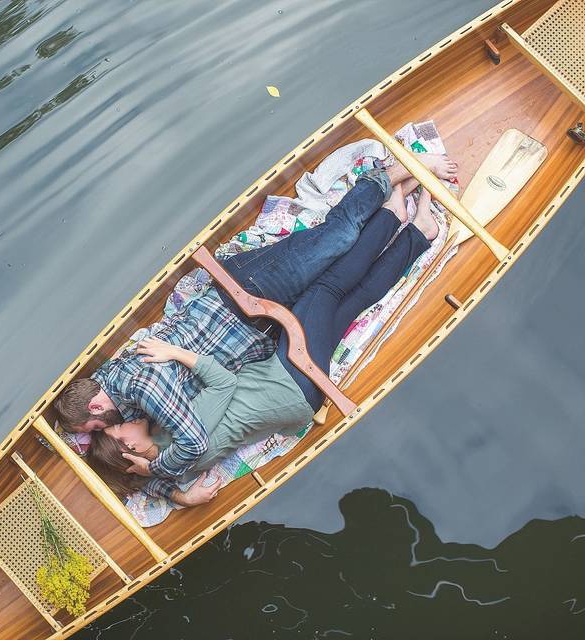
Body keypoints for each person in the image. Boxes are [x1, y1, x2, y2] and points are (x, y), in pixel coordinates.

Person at [53, 155, 457, 501]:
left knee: (338, 244)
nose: (107, 428)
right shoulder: (138, 417)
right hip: (270, 340)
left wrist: (157, 473)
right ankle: (401, 218)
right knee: (338, 286)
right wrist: (161, 481)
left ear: (97, 409)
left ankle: (396, 178)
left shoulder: (142, 396)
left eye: (99, 427)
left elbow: (174, 445)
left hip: (247, 295)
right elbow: (156, 459)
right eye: (106, 432)